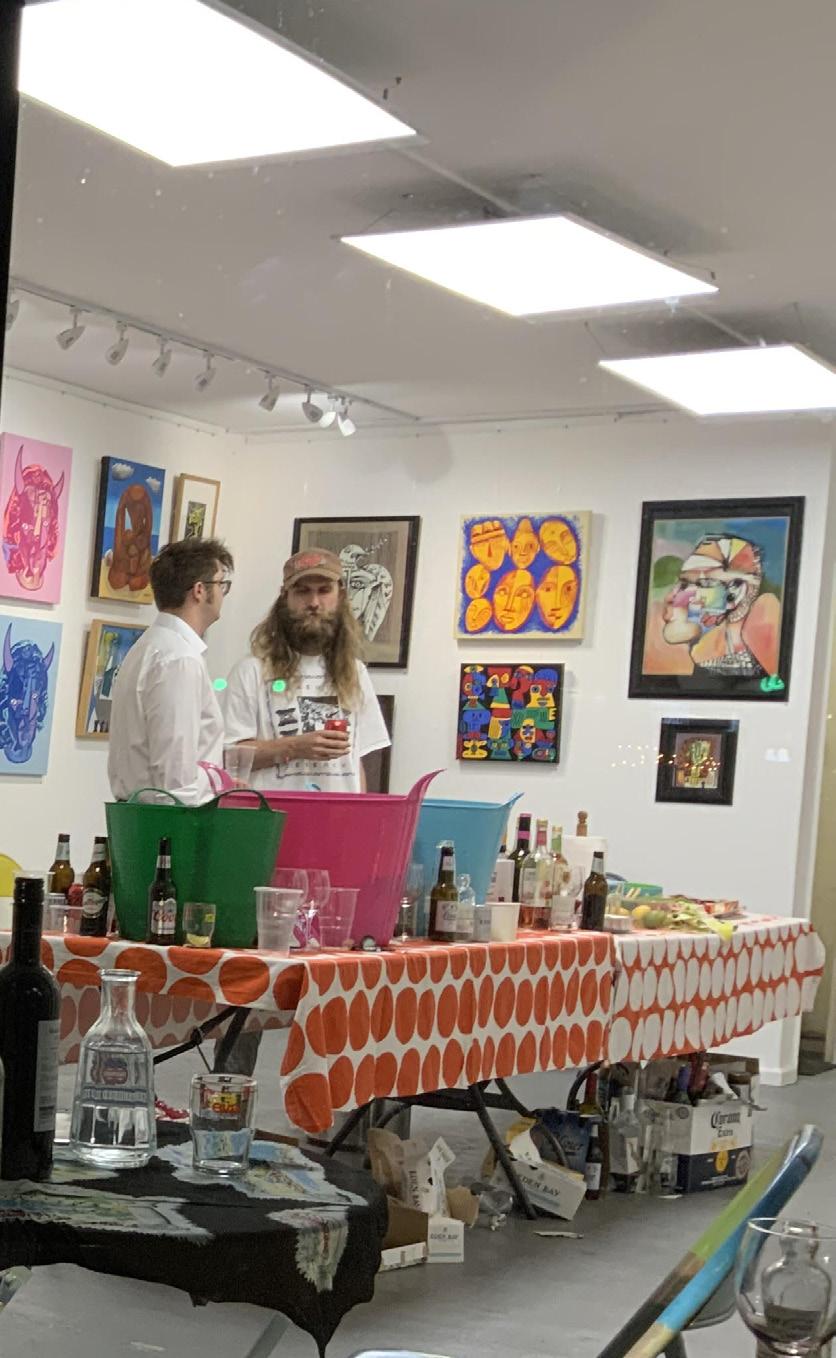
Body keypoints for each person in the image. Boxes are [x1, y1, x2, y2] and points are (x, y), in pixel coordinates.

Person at [223, 547, 390, 791]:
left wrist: (359, 810)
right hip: (274, 813)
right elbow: (229, 757)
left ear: (341, 595)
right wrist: (293, 747)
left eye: (324, 591)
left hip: (339, 814)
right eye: (302, 592)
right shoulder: (251, 671)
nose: (313, 603)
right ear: (285, 597)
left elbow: (356, 763)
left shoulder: (355, 672)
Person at [108, 537, 234, 804]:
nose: (223, 594)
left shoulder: (149, 647)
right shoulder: (179, 658)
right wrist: (213, 784)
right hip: (172, 820)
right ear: (199, 590)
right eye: (221, 584)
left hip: (141, 813)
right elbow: (176, 780)